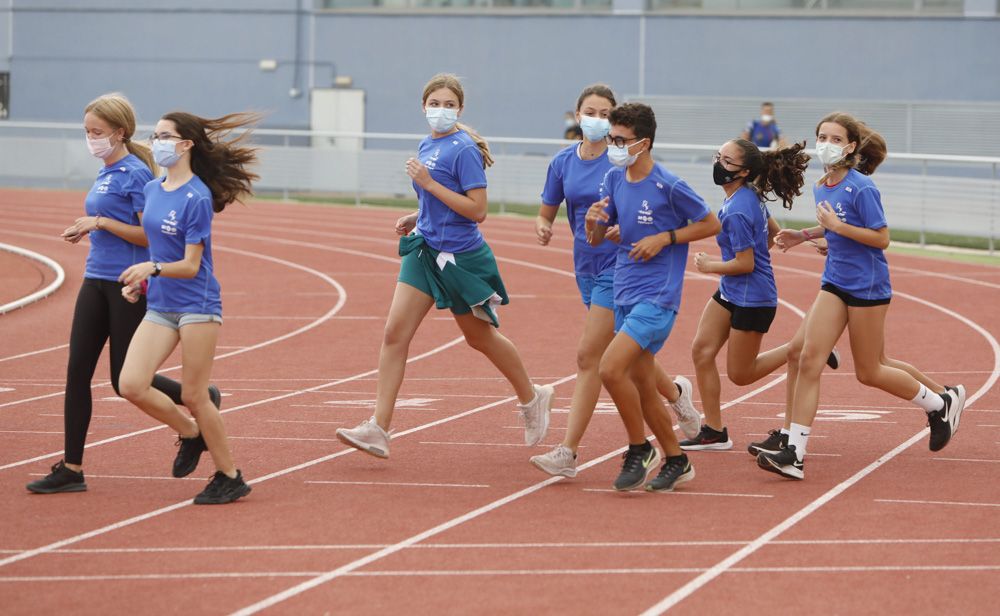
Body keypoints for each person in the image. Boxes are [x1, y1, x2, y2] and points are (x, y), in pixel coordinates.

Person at [336, 73, 553, 459]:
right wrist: (417, 215)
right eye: (434, 104)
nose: (440, 110)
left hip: (461, 259)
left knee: (479, 338)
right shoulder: (426, 143)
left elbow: (478, 211)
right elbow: (435, 201)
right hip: (424, 252)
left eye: (448, 104)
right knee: (393, 335)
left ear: (460, 109)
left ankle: (532, 396)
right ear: (423, 107)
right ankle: (379, 428)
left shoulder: (464, 149)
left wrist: (430, 186)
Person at [26, 93, 220, 495]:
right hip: (94, 278)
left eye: (96, 132)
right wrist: (89, 228)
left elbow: (145, 236)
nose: (90, 139)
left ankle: (199, 404)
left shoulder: (135, 174)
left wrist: (99, 222)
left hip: (126, 282)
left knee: (123, 380)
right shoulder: (105, 170)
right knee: (77, 371)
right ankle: (72, 468)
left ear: (118, 133)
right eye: (86, 132)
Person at [756, 112, 966, 480]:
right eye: (822, 136)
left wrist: (838, 228)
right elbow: (833, 227)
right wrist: (804, 236)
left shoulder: (862, 187)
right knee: (808, 359)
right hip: (835, 282)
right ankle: (795, 453)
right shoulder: (822, 184)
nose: (826, 143)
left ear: (851, 147)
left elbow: (880, 238)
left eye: (835, 139)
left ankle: (938, 403)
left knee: (870, 370)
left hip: (867, 286)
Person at [530, 85, 701, 478]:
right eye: (591, 113)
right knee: (634, 361)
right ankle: (676, 400)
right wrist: (558, 226)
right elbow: (556, 214)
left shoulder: (640, 173)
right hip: (589, 267)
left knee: (595, 359)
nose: (601, 125)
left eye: (606, 116)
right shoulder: (571, 164)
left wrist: (660, 237)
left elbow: (690, 217)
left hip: (627, 272)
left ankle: (571, 451)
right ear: (577, 114)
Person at [117, 110, 258, 504]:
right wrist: (144, 283)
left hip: (197, 304)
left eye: (165, 135)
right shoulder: (151, 190)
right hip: (161, 304)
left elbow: (191, 264)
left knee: (196, 395)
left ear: (185, 144)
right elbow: (159, 251)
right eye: (155, 134)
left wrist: (153, 267)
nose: (156, 140)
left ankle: (230, 476)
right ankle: (192, 434)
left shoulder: (196, 197)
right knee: (130, 384)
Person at [585, 103, 721, 492]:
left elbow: (711, 222)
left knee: (610, 369)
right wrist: (593, 224)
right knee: (644, 385)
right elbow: (598, 238)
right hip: (624, 290)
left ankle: (637, 447)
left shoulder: (668, 184)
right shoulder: (613, 179)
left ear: (643, 143)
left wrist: (665, 237)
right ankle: (677, 459)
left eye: (620, 140)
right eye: (612, 138)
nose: (613, 145)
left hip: (657, 296)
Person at [682, 138, 842, 451]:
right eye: (718, 156)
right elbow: (770, 233)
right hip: (732, 292)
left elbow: (746, 263)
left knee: (741, 375)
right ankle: (714, 431)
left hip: (753, 298)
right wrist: (785, 240)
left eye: (727, 161)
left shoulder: (738, 211)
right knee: (701, 351)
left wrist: (710, 265)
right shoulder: (747, 194)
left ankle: (809, 347)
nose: (719, 164)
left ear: (743, 171)